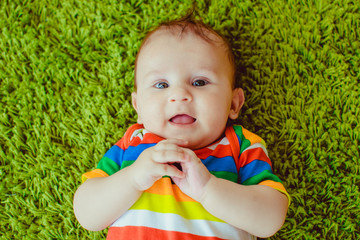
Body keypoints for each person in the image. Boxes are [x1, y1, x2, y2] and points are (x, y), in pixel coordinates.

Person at [73, 13, 290, 240]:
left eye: (199, 82)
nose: (179, 95)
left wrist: (208, 189)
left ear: (234, 104)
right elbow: (87, 214)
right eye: (161, 84)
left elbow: (270, 219)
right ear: (138, 107)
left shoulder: (240, 145)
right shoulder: (134, 142)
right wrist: (133, 178)